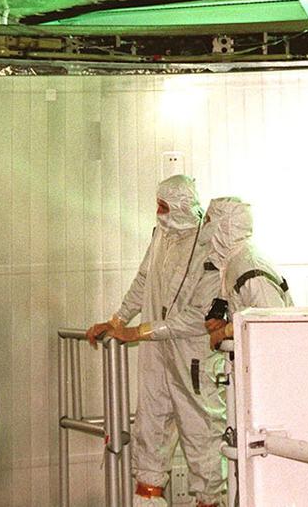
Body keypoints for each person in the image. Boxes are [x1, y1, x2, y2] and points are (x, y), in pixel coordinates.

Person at [86, 174, 226, 507]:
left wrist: (138, 332)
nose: (158, 213)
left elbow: (197, 317)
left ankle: (210, 500)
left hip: (193, 356)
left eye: (163, 207)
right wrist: (118, 320)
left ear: (179, 206)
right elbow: (143, 280)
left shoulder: (209, 245)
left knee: (201, 435)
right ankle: (148, 498)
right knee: (149, 429)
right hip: (158, 355)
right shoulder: (161, 236)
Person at [201, 197, 292, 348]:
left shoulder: (251, 270)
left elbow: (272, 321)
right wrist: (226, 323)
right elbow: (247, 310)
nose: (204, 226)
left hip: (270, 361)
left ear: (225, 226)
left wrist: (226, 331)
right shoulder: (233, 262)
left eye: (208, 220)